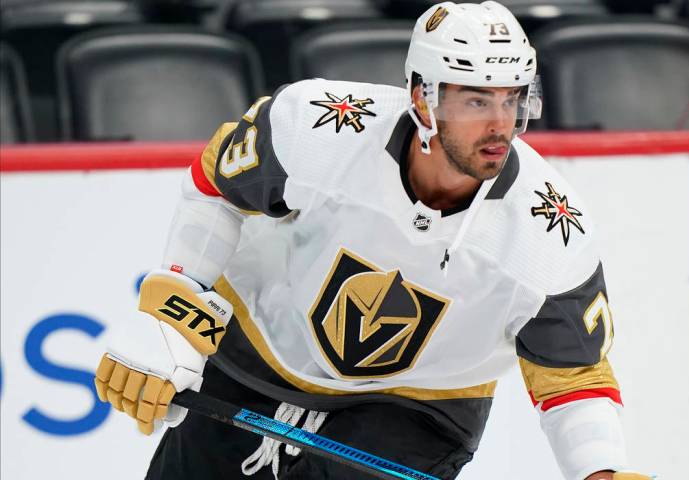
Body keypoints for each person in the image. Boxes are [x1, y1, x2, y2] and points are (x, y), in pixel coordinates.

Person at [93, 2, 653, 479]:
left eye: (511, 99)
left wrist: (599, 470)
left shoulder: (550, 229)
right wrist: (174, 307)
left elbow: (575, 377)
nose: (500, 125)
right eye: (476, 101)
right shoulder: (319, 125)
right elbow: (217, 184)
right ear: (422, 98)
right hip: (255, 354)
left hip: (418, 407)